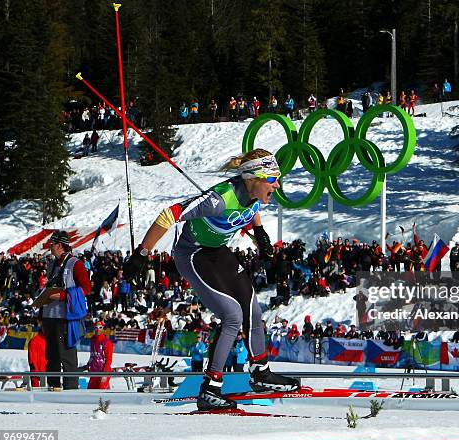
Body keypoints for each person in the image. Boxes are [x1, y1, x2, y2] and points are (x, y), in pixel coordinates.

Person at [124, 149, 300, 411]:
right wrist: (142, 254)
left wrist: (260, 232)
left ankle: (261, 374)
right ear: (254, 177)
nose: (277, 185)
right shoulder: (218, 200)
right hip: (193, 254)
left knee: (252, 308)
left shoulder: (255, 194)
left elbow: (251, 209)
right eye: (273, 179)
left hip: (219, 252)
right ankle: (210, 389)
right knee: (232, 315)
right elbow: (168, 215)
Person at [41, 230, 91, 390]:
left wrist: (62, 295)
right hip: (49, 316)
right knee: (51, 355)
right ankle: (53, 387)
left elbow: (86, 288)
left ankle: (71, 390)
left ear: (60, 245)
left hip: (65, 317)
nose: (50, 247)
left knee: (67, 355)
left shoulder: (75, 263)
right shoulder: (52, 264)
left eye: (52, 244)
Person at [86, 321, 113, 389]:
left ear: (103, 328)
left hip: (103, 371)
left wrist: (105, 374)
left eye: (100, 327)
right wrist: (88, 365)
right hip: (94, 372)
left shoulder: (106, 342)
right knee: (90, 393)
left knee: (101, 393)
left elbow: (109, 359)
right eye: (96, 327)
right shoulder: (93, 340)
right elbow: (92, 355)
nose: (98, 329)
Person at [27, 321, 47, 388]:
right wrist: (34, 372)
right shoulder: (34, 341)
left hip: (48, 372)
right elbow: (32, 359)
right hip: (37, 372)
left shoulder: (50, 340)